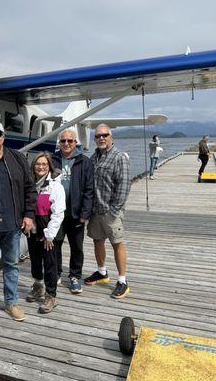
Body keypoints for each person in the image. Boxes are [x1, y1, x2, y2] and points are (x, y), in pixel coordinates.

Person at [0, 121, 36, 323]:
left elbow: (30, 188)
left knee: (11, 264)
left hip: (13, 223)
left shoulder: (18, 158)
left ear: (3, 136)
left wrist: (29, 214)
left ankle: (11, 302)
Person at [85, 124, 131, 299]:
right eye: (98, 136)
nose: (101, 138)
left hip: (111, 212)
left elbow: (124, 186)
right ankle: (102, 272)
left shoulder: (120, 157)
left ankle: (122, 281)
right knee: (97, 240)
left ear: (111, 137)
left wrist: (114, 210)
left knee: (117, 243)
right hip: (96, 210)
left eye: (104, 135)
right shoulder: (94, 157)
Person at [51, 129, 93, 294]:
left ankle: (75, 276)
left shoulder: (85, 161)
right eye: (63, 141)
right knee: (55, 245)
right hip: (57, 212)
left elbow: (89, 189)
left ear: (76, 143)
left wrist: (85, 213)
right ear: (59, 143)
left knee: (77, 247)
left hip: (76, 213)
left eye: (70, 141)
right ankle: (56, 273)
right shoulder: (52, 159)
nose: (66, 144)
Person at [26, 152, 66, 313]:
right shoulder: (31, 185)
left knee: (50, 264)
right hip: (33, 231)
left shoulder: (55, 186)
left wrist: (50, 234)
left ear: (49, 166)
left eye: (44, 164)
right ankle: (38, 286)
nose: (40, 167)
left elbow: (58, 212)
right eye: (37, 164)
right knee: (35, 261)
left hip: (50, 232)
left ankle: (51, 295)